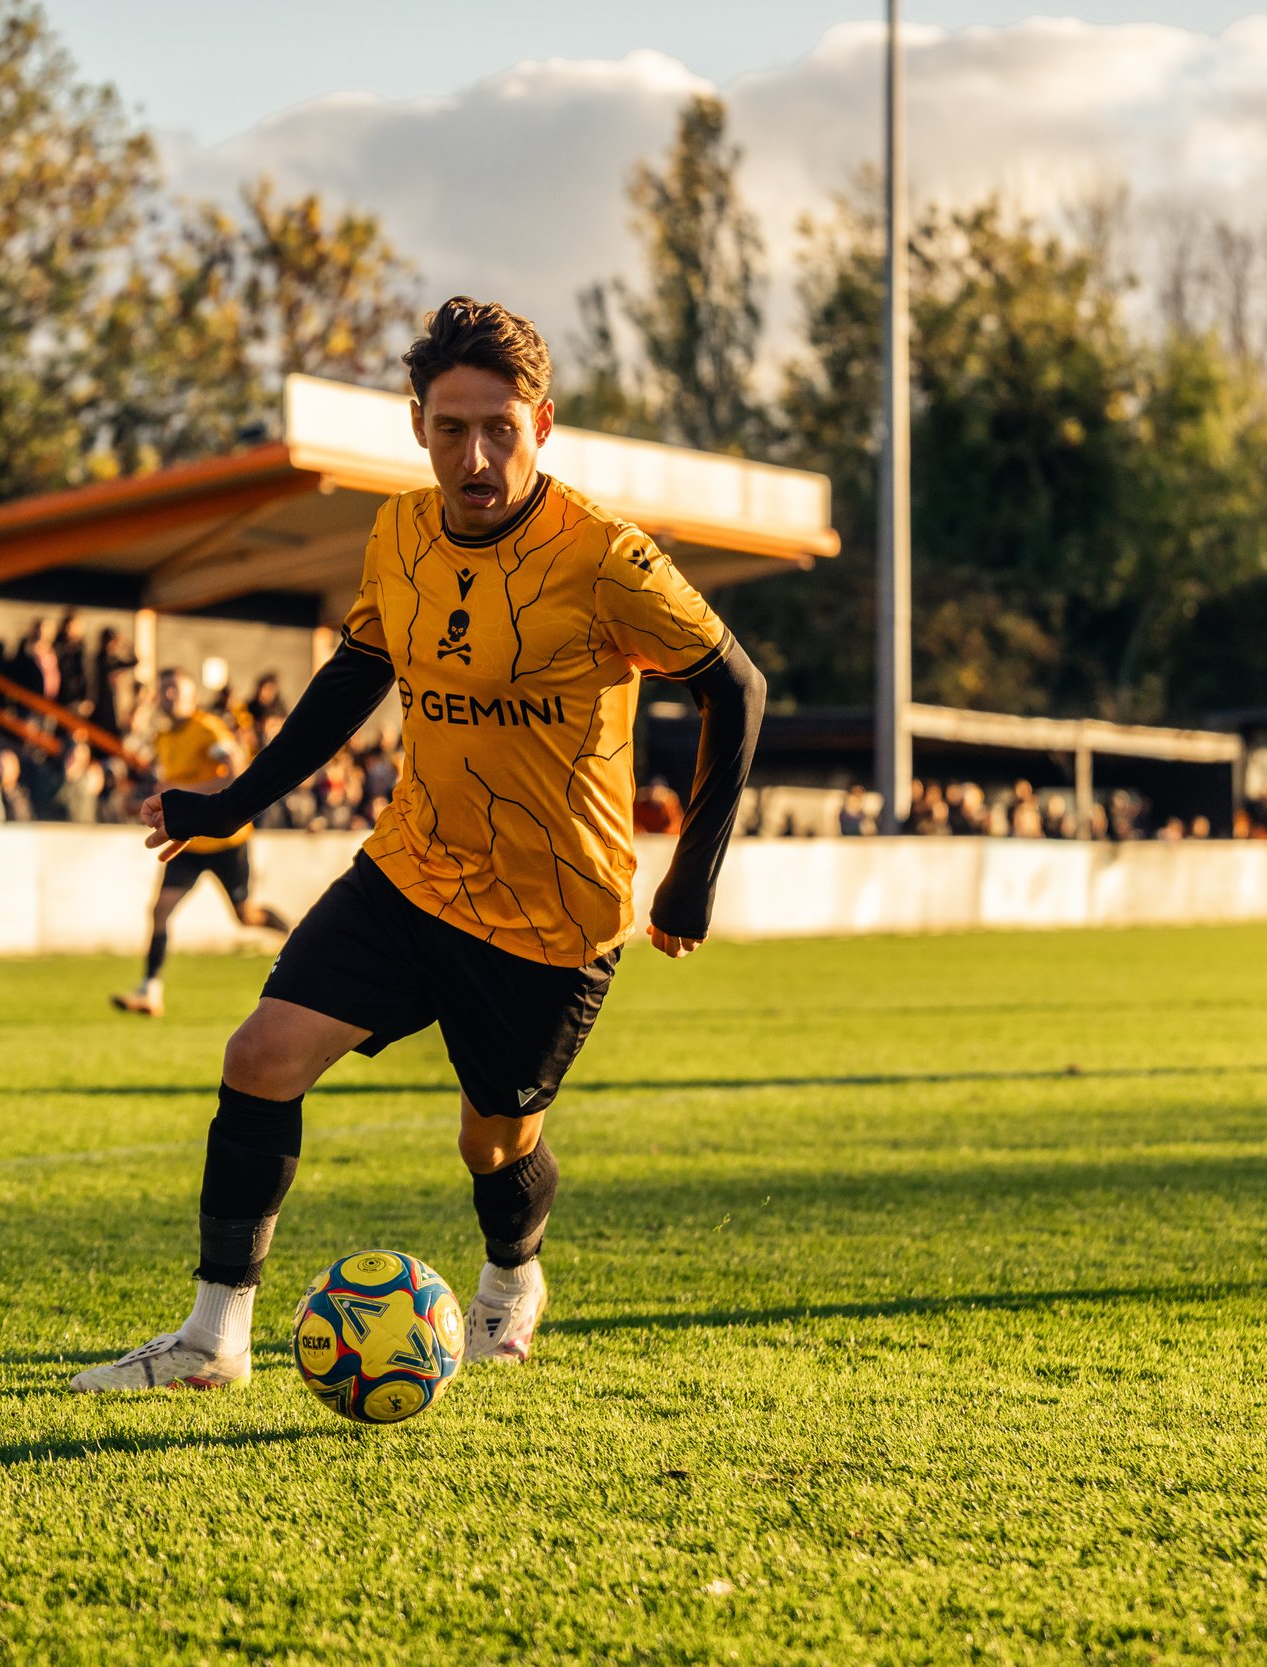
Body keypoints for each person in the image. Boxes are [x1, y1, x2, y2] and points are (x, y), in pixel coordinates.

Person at [71, 296, 764, 1393]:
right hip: (414, 868)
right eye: (451, 428)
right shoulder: (399, 531)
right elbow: (356, 674)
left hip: (555, 911)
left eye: (500, 427)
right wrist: (230, 798)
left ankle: (512, 1275)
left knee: (492, 1144)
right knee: (258, 1057)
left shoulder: (603, 558)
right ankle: (213, 1340)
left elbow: (738, 684)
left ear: (543, 422)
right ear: (417, 426)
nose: (476, 455)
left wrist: (692, 873)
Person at [110, 670, 254, 1016]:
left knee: (247, 917)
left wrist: (178, 793)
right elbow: (169, 785)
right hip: (187, 842)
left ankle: (299, 937)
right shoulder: (163, 738)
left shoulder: (208, 729)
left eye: (175, 689)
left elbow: (236, 772)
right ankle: (150, 992)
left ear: (192, 696)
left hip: (225, 841)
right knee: (159, 910)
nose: (168, 695)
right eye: (164, 690)